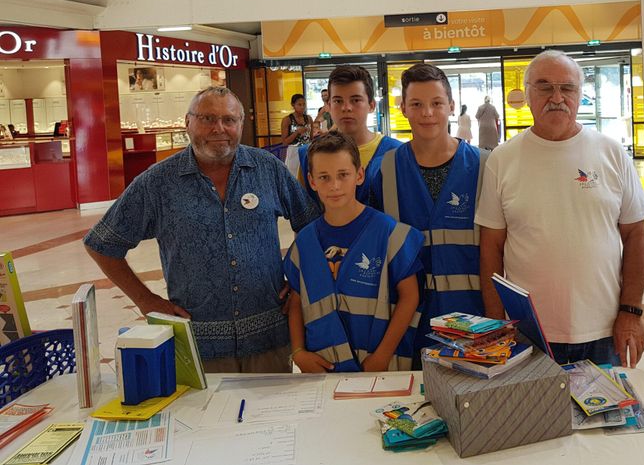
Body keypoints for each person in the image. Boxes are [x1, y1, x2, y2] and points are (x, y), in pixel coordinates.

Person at [84, 87, 319, 373]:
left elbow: (312, 225)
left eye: (229, 120)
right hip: (200, 347)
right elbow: (102, 244)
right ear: (188, 122)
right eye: (207, 118)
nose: (219, 128)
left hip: (269, 340)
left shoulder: (268, 169)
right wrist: (145, 300)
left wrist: (299, 280)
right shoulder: (158, 182)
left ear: (241, 124)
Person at [476, 50, 644, 366]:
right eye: (544, 87)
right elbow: (491, 248)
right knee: (532, 402)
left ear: (580, 94)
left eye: (567, 88)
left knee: (609, 402)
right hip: (528, 332)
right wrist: (496, 320)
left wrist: (631, 312)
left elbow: (636, 235)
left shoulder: (611, 153)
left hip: (603, 330)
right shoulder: (502, 160)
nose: (557, 98)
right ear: (528, 94)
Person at [371, 64, 487, 361]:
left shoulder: (484, 166)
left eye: (436, 103)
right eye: (416, 104)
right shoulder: (387, 170)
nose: (427, 113)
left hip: (475, 319)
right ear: (403, 109)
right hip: (410, 322)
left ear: (451, 106)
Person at [284, 132, 423, 372]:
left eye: (343, 175)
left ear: (359, 175)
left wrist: (382, 355)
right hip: (323, 367)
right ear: (312, 181)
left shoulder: (389, 233)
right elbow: (295, 302)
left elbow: (410, 297)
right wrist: (298, 352)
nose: (334, 186)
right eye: (324, 177)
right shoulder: (304, 243)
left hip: (379, 366)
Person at [302, 65, 400, 206]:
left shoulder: (396, 153)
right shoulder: (309, 155)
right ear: (328, 106)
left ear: (371, 105)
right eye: (338, 101)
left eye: (355, 100)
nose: (346, 108)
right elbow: (305, 211)